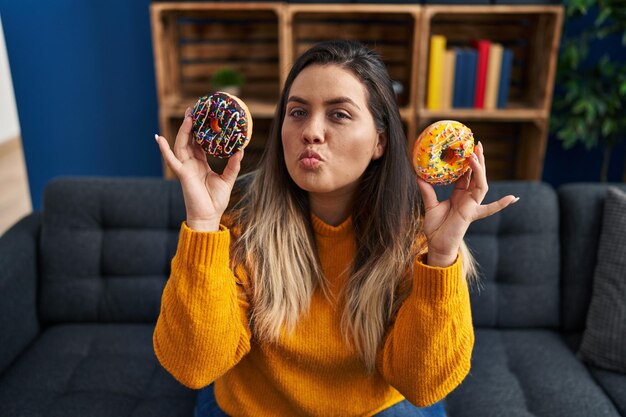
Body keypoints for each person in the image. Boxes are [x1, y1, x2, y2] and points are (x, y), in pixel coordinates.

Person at [153, 40, 518, 417]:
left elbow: (423, 386)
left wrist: (441, 258)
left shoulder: (416, 237)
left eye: (339, 114)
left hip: (376, 408)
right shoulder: (238, 223)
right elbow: (194, 367)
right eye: (297, 112)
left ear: (379, 141)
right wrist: (203, 224)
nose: (311, 131)